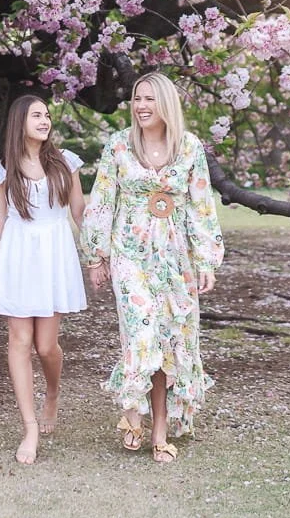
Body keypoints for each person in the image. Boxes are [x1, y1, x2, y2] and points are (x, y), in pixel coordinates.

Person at [81, 71, 224, 463]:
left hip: (175, 257)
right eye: (136, 99)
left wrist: (207, 258)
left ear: (166, 105)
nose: (141, 106)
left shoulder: (189, 148)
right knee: (142, 332)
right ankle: (132, 413)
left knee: (171, 340)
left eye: (149, 99)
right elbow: (102, 200)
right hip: (130, 253)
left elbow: (201, 207)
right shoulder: (119, 146)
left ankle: (160, 430)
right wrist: (96, 255)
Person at [0, 94, 87, 465]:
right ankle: (29, 427)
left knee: (46, 347)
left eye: (47, 115)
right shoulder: (2, 170)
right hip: (17, 256)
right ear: (19, 122)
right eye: (36, 115)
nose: (44, 120)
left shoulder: (65, 163)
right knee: (19, 341)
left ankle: (53, 393)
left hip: (54, 255)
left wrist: (99, 253)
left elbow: (79, 213)